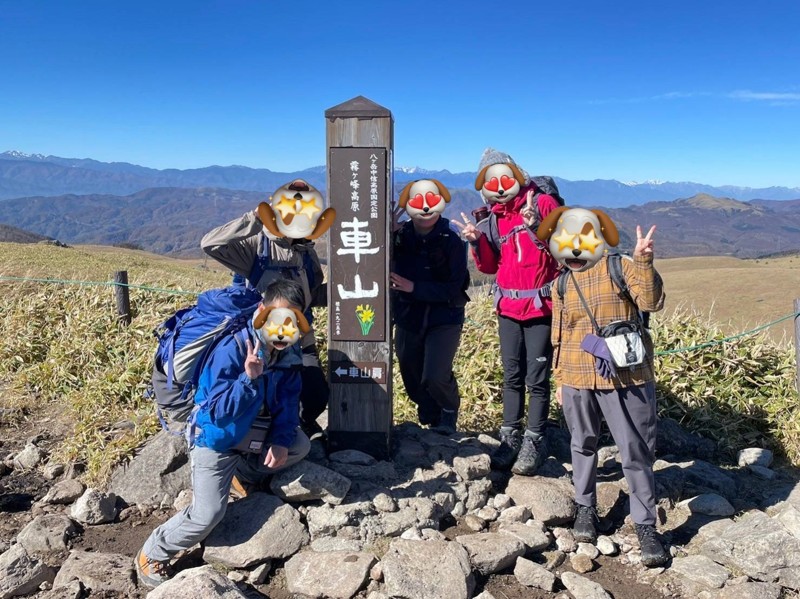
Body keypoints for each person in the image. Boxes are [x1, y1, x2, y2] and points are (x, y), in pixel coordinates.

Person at [135, 279, 312, 588]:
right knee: (207, 515)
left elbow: (288, 401)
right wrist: (248, 378)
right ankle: (153, 552)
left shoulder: (288, 350)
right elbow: (215, 413)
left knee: (298, 446)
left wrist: (280, 440)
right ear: (261, 311)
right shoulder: (232, 348)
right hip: (215, 438)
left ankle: (242, 473)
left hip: (250, 433)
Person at [536, 206, 669, 567]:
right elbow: (559, 335)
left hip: (627, 376)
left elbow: (651, 302)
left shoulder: (619, 266)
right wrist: (561, 379)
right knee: (581, 445)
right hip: (578, 376)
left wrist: (643, 261)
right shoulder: (561, 282)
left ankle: (645, 525)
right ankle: (585, 509)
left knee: (636, 450)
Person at [453, 148, 561, 475]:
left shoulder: (542, 203)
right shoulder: (492, 216)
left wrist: (537, 225)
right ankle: (510, 436)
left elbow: (562, 248)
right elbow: (488, 266)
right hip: (509, 308)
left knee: (537, 378)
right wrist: (475, 241)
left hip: (542, 306)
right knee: (512, 375)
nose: (499, 186)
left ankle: (535, 439)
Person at [201, 179, 334, 439]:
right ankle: (257, 448)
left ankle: (294, 430)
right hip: (257, 338)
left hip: (299, 336)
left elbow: (312, 293)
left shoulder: (306, 250)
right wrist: (255, 218)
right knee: (265, 393)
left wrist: (359, 287)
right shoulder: (257, 247)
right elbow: (210, 244)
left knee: (316, 394)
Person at [390, 179, 470, 435]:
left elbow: (454, 288)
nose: (425, 209)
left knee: (435, 374)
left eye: (432, 201)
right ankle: (428, 410)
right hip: (409, 315)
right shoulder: (400, 237)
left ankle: (447, 410)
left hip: (444, 316)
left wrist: (414, 287)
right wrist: (388, 234)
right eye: (417, 202)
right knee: (409, 369)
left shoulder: (452, 242)